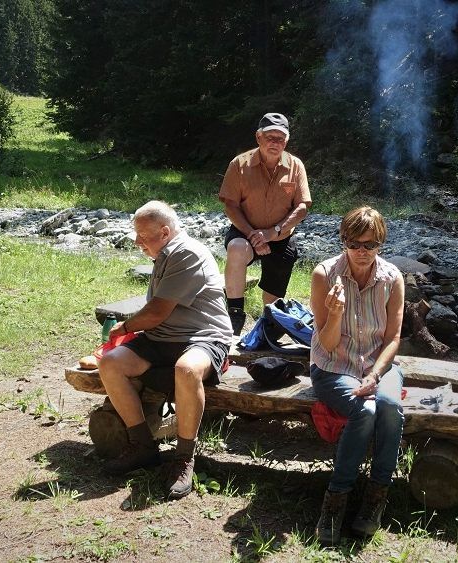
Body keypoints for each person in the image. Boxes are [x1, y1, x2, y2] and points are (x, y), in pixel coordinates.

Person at [98, 201, 233, 499]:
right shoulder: (164, 253)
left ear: (165, 231)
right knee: (111, 364)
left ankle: (185, 457)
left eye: (143, 236)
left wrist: (125, 327)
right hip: (163, 337)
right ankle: (143, 446)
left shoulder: (186, 253)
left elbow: (157, 311)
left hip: (203, 336)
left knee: (185, 370)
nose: (137, 242)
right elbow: (158, 318)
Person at [309, 206, 405, 545]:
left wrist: (376, 374)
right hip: (333, 365)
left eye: (370, 244)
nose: (362, 252)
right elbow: (329, 343)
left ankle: (376, 497)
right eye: (354, 244)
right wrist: (334, 315)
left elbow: (393, 338)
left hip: (377, 364)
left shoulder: (392, 277)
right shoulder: (325, 275)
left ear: (381, 243)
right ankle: (335, 500)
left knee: (390, 405)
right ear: (343, 241)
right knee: (364, 409)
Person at [219, 112, 311, 335]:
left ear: (286, 141)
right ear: (259, 137)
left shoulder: (295, 166)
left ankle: (267, 323)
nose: (275, 143)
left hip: (281, 236)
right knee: (237, 248)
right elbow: (230, 204)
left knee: (272, 298)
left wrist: (274, 232)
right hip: (245, 231)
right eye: (270, 137)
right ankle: (235, 314)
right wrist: (253, 234)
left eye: (280, 139)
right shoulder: (239, 164)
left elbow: (302, 207)